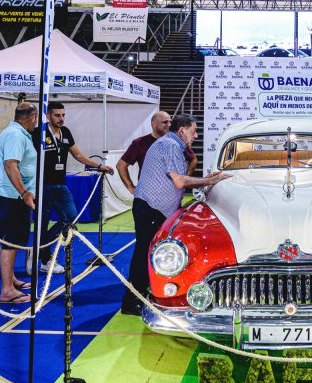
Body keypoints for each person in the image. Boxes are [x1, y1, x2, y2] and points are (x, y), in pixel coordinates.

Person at [122, 114, 228, 315]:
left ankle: (141, 294)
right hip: (151, 209)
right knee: (143, 254)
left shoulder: (170, 144)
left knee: (149, 252)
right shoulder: (171, 146)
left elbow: (177, 179)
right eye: (193, 131)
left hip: (153, 208)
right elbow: (179, 181)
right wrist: (209, 181)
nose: (196, 136)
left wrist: (205, 178)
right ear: (181, 131)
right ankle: (131, 301)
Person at [32, 101, 112, 275]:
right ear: (48, 116)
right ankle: (45, 260)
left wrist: (98, 166)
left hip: (61, 185)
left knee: (71, 218)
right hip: (42, 186)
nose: (61, 119)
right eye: (57, 115)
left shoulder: (66, 132)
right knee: (42, 223)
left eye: (63, 115)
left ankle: (39, 248)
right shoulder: (39, 133)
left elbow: (78, 155)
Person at [0, 102, 40, 304]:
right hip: (13, 197)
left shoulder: (15, 133)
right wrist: (24, 193)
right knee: (10, 243)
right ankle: (7, 291)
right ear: (32, 118)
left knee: (10, 241)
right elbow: (11, 166)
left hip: (12, 196)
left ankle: (10, 279)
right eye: (36, 119)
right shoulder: (15, 135)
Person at [117, 111, 197, 192]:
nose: (169, 124)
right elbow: (121, 165)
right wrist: (131, 187)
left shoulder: (176, 142)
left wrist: (184, 179)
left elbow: (193, 159)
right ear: (154, 124)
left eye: (170, 122)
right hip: (147, 194)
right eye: (165, 122)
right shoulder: (139, 143)